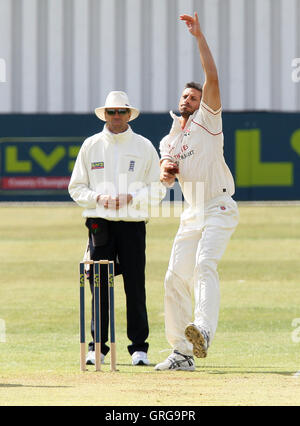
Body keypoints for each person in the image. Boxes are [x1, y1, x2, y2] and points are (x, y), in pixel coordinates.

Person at [155, 13, 239, 371]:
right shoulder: (171, 137)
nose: (188, 99)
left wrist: (199, 37)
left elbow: (213, 77)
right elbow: (166, 173)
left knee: (204, 264)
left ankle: (203, 329)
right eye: (185, 96)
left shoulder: (209, 119)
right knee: (174, 277)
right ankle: (181, 352)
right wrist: (166, 172)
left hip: (219, 204)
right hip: (191, 211)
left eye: (194, 96)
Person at [69, 91, 165, 366]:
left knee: (135, 285)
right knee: (99, 285)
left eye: (121, 112)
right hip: (100, 224)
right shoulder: (91, 145)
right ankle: (97, 347)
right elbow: (76, 187)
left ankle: (138, 348)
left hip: (133, 224)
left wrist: (132, 198)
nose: (116, 117)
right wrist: (98, 198)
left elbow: (159, 187)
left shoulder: (144, 146)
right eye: (111, 112)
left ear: (129, 114)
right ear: (105, 114)